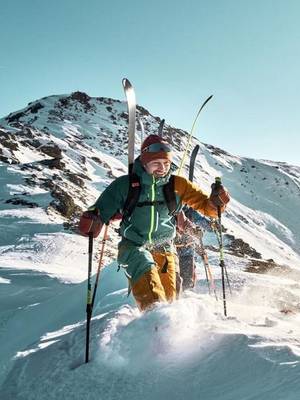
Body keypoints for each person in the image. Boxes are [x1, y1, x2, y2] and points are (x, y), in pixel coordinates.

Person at [79, 134, 230, 311]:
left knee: (169, 301)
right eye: (156, 163)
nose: (162, 168)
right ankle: (154, 323)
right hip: (134, 246)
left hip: (164, 246)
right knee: (152, 295)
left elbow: (208, 208)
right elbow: (100, 210)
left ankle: (165, 334)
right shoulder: (125, 185)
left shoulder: (178, 185)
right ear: (144, 162)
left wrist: (218, 201)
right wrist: (92, 220)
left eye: (166, 163)